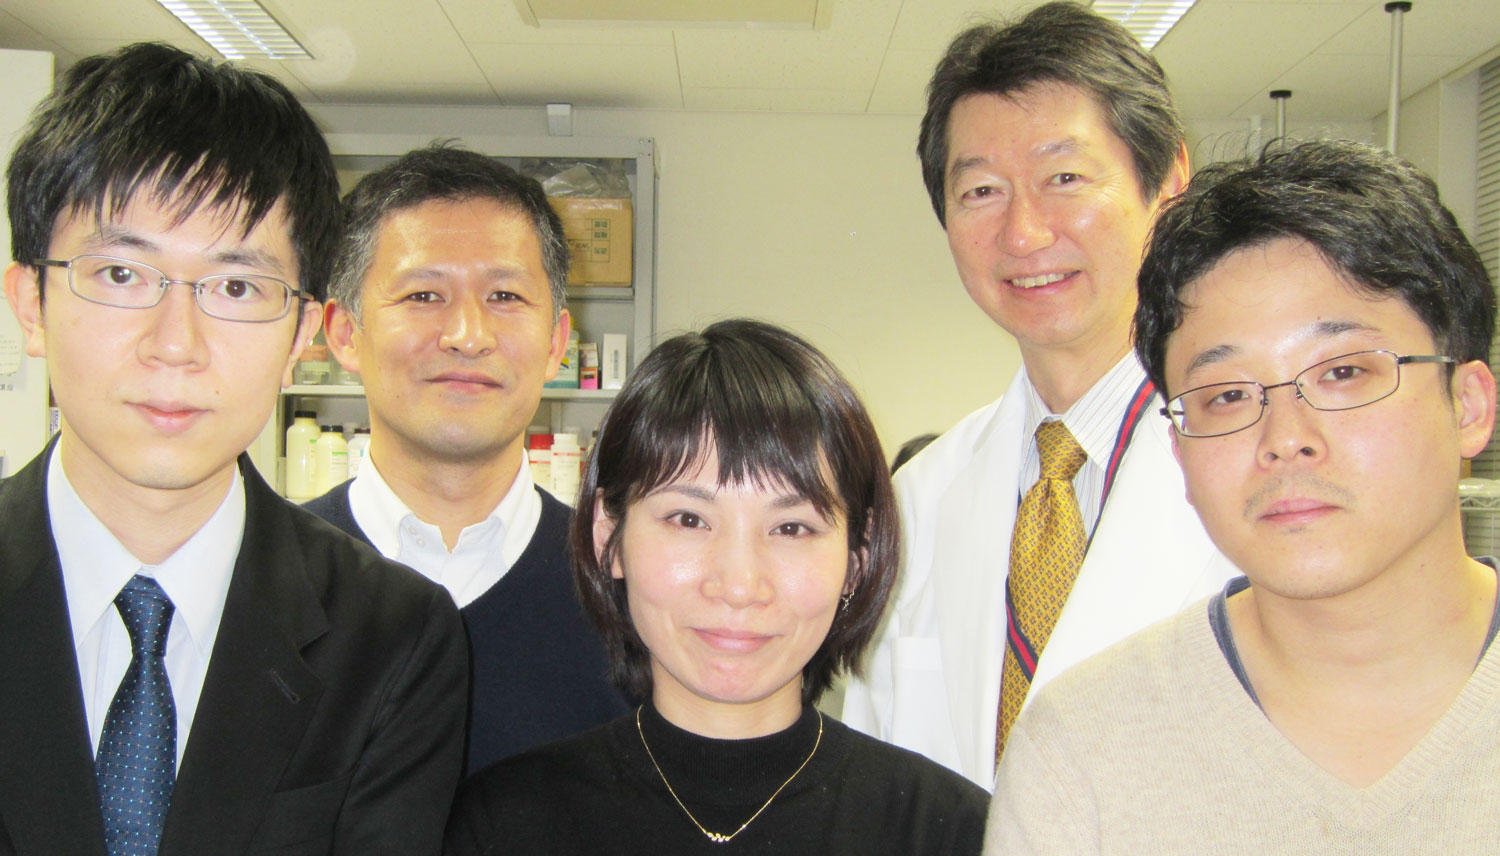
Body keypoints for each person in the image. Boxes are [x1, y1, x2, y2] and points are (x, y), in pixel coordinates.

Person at [0, 43, 468, 854]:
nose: (175, 344)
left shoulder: (391, 637)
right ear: (30, 304)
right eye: (121, 275)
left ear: (301, 337)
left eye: (237, 287)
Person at [987, 139, 1500, 853]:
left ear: (1469, 405)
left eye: (1344, 372)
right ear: (1178, 448)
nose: (1285, 439)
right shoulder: (1084, 748)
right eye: (1226, 395)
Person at [842, 0, 1236, 787]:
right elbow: (875, 788)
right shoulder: (917, 501)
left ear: (1168, 181)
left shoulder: (1259, 469)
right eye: (981, 191)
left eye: (1064, 178)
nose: (1023, 233)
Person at [446, 319, 988, 855]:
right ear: (609, 536)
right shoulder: (501, 826)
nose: (739, 585)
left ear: (857, 559)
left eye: (791, 528)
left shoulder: (951, 832)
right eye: (688, 519)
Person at [304, 143, 629, 773]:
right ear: (343, 332)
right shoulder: (261, 587)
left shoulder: (623, 598)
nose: (468, 336)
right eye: (424, 295)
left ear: (556, 343)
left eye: (505, 296)